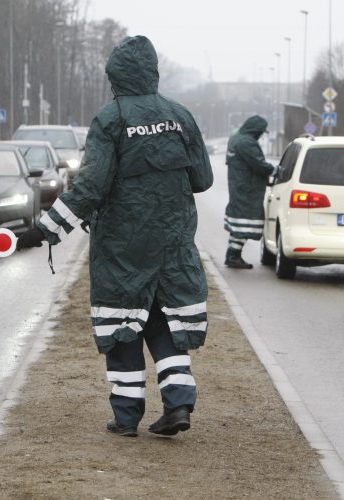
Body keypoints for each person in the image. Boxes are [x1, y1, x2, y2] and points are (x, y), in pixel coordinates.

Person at [18, 35, 213, 437]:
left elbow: (91, 186)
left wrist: (46, 229)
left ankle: (126, 418)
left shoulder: (112, 118)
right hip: (173, 244)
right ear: (153, 72)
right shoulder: (181, 115)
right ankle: (178, 406)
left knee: (122, 327)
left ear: (115, 76)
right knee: (165, 325)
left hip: (123, 248)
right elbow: (203, 179)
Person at [224, 115, 277, 269]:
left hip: (239, 185)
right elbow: (258, 164)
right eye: (260, 132)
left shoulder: (236, 139)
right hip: (248, 188)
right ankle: (233, 256)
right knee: (246, 220)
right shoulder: (247, 142)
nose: (260, 135)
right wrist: (274, 170)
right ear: (256, 130)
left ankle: (232, 254)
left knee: (239, 222)